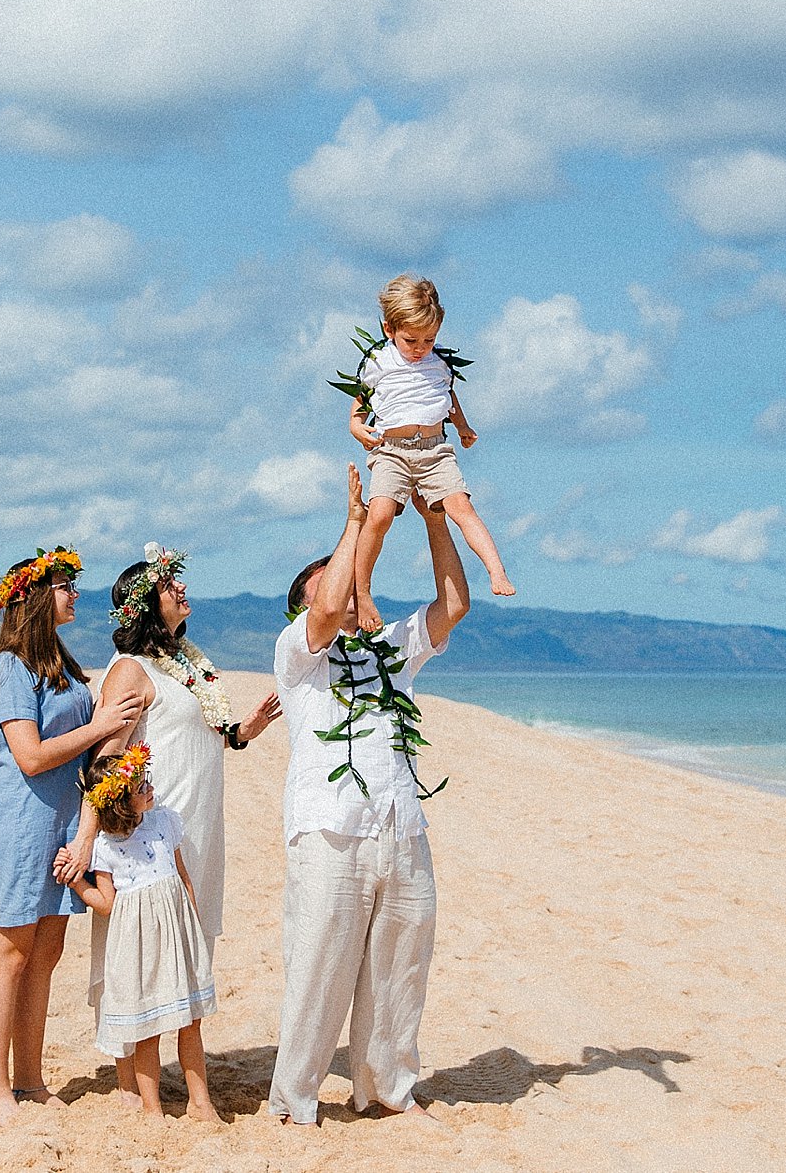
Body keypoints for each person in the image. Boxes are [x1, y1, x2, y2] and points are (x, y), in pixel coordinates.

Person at [268, 467, 472, 1127]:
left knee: (399, 969)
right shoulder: (299, 655)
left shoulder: (389, 649)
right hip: (331, 830)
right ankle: (294, 1100)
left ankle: (388, 1089)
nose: (351, 585)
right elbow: (326, 607)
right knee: (319, 970)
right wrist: (356, 520)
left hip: (401, 827)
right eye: (336, 578)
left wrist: (436, 516)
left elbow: (454, 605)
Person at [60, 542, 280, 1100]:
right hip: (148, 834)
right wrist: (87, 839)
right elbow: (105, 763)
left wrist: (243, 731)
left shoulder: (186, 663)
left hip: (195, 829)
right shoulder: (130, 672)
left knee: (184, 945)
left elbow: (201, 732)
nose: (181, 588)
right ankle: (134, 1083)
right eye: (168, 584)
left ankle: (165, 1068)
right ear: (143, 605)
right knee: (137, 949)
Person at [0, 547, 139, 1125]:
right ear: (36, 597)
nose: (74, 594)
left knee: (46, 953)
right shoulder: (11, 668)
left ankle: (30, 1078)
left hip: (64, 822)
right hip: (23, 824)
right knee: (11, 950)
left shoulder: (62, 665)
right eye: (66, 586)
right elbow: (30, 754)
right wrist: (99, 725)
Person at [62, 746, 219, 1121]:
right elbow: (107, 902)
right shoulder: (104, 847)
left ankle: (201, 1102)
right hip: (139, 944)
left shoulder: (164, 821)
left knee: (190, 1021)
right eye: (139, 785)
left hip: (178, 933)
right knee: (148, 1026)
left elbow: (182, 877)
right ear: (118, 802)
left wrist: (193, 927)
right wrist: (77, 885)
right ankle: (152, 1108)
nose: (149, 787)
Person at [346, 275, 515, 608]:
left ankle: (497, 571)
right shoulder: (378, 364)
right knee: (379, 515)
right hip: (392, 451)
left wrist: (463, 427)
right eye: (411, 340)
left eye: (429, 339)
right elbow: (360, 405)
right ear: (388, 330)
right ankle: (363, 592)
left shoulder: (439, 364)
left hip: (435, 450)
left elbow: (448, 397)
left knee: (462, 508)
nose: (420, 348)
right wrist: (356, 427)